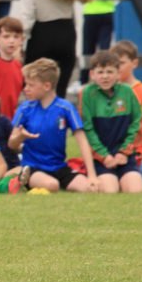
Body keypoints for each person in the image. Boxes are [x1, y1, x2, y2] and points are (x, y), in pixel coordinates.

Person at [9, 59, 97, 193]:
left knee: (89, 188)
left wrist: (91, 176)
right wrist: (20, 137)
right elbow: (11, 144)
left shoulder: (65, 108)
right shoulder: (25, 108)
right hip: (33, 167)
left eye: (30, 85)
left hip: (59, 167)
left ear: (46, 86)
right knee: (52, 185)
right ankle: (19, 176)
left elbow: (82, 141)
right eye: (26, 84)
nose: (25, 89)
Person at [79, 50, 142, 194]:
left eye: (110, 72)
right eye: (100, 72)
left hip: (124, 155)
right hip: (100, 157)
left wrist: (124, 152)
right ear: (92, 74)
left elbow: (137, 123)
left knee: (136, 190)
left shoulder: (127, 92)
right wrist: (104, 156)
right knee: (109, 190)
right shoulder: (87, 94)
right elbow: (87, 130)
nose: (105, 76)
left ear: (118, 74)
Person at [112, 40, 142, 170]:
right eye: (114, 64)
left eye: (121, 63)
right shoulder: (109, 90)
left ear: (135, 63)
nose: (117, 67)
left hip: (133, 150)